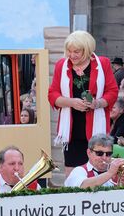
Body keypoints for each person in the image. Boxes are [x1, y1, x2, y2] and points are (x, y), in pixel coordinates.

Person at [48, 31, 118, 174]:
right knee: (72, 175)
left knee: (97, 171)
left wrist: (97, 103)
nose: (72, 55)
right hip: (72, 130)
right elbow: (52, 94)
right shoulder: (61, 65)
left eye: (76, 52)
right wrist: (71, 102)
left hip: (96, 128)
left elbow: (112, 91)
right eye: (69, 51)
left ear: (87, 50)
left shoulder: (103, 63)